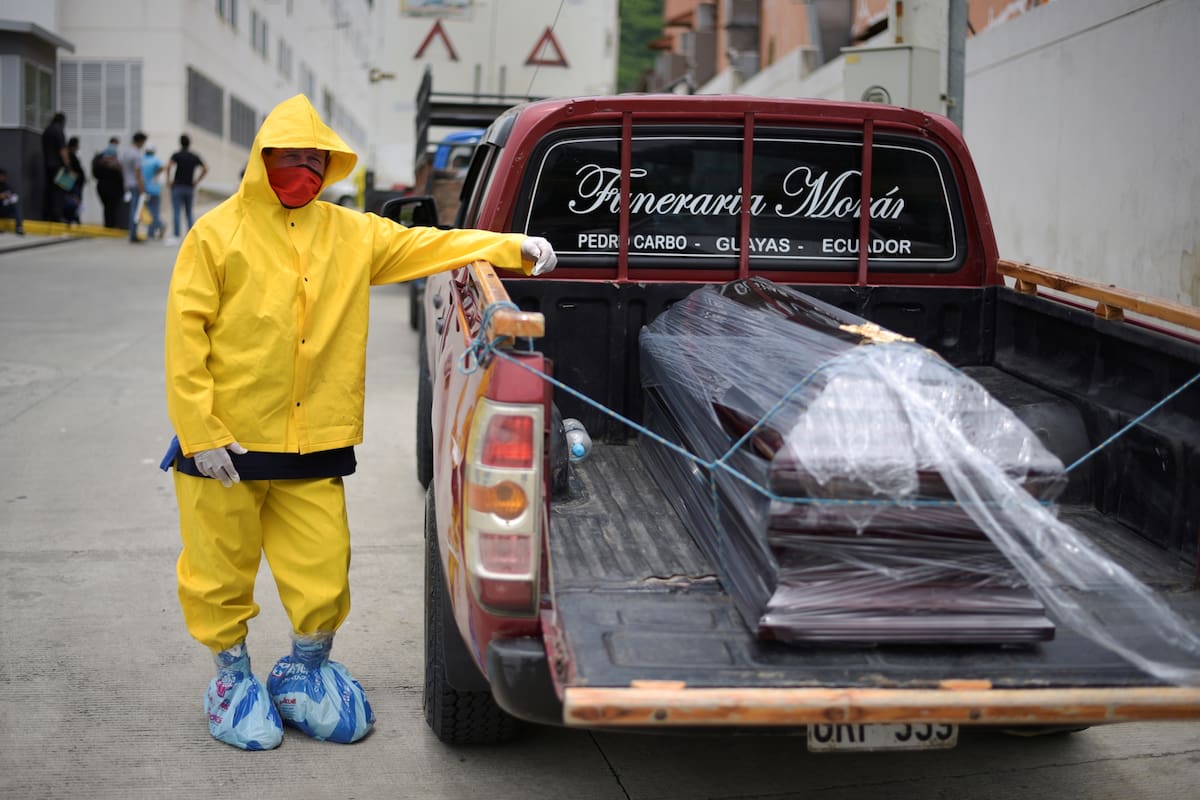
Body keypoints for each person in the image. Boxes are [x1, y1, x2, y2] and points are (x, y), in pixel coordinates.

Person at [160, 94, 556, 751]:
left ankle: (306, 674)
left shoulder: (352, 235)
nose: (305, 170)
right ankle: (231, 680)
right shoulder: (215, 235)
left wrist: (511, 248)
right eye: (292, 157)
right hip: (223, 448)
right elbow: (185, 338)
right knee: (218, 572)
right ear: (263, 160)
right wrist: (200, 434)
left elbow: (433, 245)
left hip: (312, 446)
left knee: (322, 571)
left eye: (317, 159)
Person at [167, 134, 207, 243]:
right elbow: (205, 168)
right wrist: (197, 181)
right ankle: (191, 236)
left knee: (176, 211)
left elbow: (169, 166)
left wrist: (169, 180)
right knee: (189, 212)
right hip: (189, 187)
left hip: (178, 186)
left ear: (180, 142)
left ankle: (176, 236)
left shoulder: (176, 155)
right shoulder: (194, 156)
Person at [92, 137, 125, 229]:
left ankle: (109, 225)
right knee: (111, 208)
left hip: (103, 187)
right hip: (112, 188)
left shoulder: (99, 159)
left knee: (108, 208)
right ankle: (110, 226)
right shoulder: (114, 162)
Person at [41, 112, 68, 222]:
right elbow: (62, 149)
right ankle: (57, 215)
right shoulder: (59, 130)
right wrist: (67, 164)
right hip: (58, 165)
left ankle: (48, 214)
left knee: (49, 190)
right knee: (59, 191)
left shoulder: (47, 130)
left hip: (48, 165)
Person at [120, 131, 147, 242]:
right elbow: (138, 173)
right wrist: (142, 188)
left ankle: (132, 233)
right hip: (135, 185)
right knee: (135, 211)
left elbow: (122, 168)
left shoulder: (126, 152)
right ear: (140, 141)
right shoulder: (136, 154)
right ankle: (133, 234)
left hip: (127, 184)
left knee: (131, 209)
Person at [141, 145, 166, 239]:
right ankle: (160, 225)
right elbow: (163, 166)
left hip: (144, 189)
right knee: (154, 211)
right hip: (154, 190)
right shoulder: (155, 160)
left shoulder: (142, 160)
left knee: (148, 212)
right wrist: (156, 173)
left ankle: (151, 232)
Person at [62, 137, 87, 226]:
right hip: (73, 183)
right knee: (73, 201)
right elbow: (71, 169)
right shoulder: (70, 155)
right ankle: (71, 218)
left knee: (76, 202)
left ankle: (75, 218)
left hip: (76, 183)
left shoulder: (73, 155)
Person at [0, 168, 25, 235]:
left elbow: (12, 194)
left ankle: (19, 227)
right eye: (1, 176)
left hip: (4, 208)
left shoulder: (6, 185)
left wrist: (10, 198)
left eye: (4, 176)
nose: (3, 177)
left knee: (15, 204)